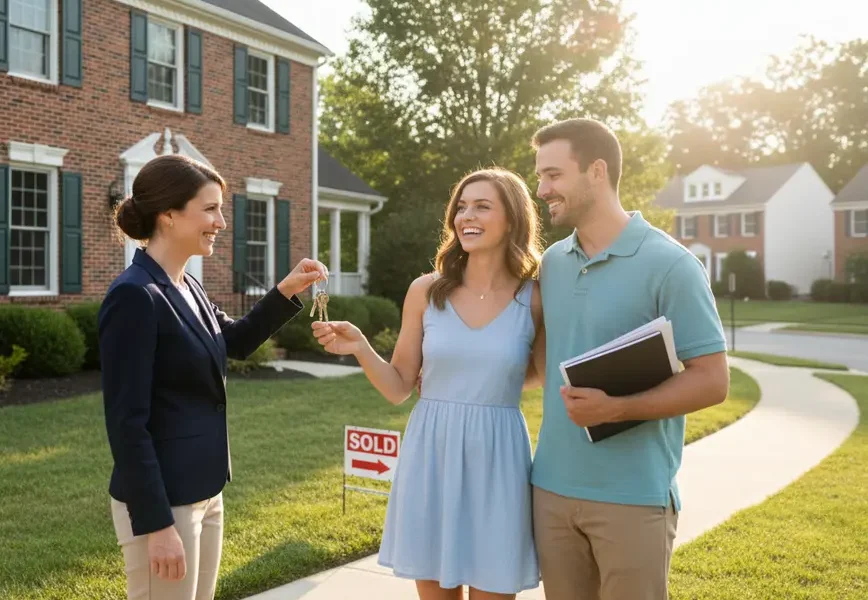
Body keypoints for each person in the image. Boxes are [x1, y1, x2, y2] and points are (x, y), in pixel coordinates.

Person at [99, 154, 327, 600]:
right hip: (163, 504)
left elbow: (234, 342)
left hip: (205, 491)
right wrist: (159, 524)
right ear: (168, 214)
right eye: (210, 209)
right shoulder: (134, 296)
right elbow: (127, 423)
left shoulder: (187, 284)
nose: (221, 222)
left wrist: (285, 291)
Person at [312, 168, 544, 600]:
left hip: (499, 461)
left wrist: (489, 385)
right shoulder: (425, 291)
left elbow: (540, 375)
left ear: (512, 218)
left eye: (482, 206)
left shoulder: (535, 298)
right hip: (431, 455)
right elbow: (399, 386)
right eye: (461, 206)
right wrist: (361, 346)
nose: (465, 216)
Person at [528, 118, 730, 600]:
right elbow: (538, 365)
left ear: (596, 171)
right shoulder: (553, 263)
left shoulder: (673, 265)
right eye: (540, 177)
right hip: (551, 491)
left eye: (553, 175)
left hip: (632, 498)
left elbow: (712, 381)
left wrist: (616, 409)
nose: (541, 189)